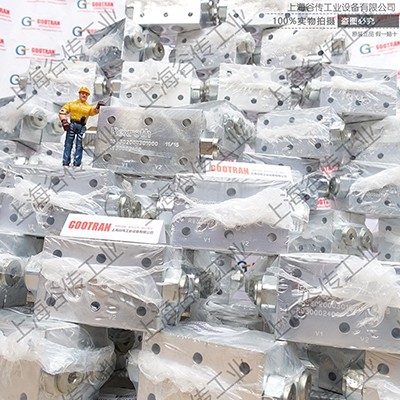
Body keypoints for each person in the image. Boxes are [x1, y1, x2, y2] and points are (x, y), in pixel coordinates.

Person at [59, 86, 105, 167]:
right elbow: (63, 112)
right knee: (68, 144)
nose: (84, 95)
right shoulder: (71, 104)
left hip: (82, 126)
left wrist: (98, 106)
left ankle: (77, 162)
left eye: (86, 94)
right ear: (79, 94)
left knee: (80, 145)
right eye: (83, 93)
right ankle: (66, 161)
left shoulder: (88, 107)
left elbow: (94, 111)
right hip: (72, 125)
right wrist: (64, 121)